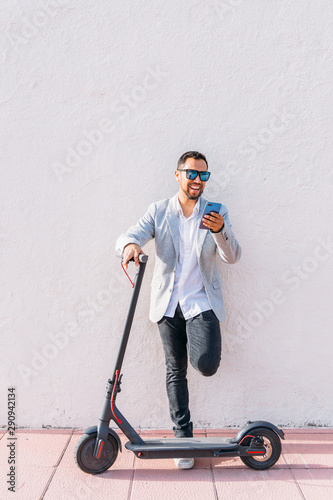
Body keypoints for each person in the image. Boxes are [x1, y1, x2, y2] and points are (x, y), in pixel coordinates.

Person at [115, 151, 241, 469]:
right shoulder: (159, 211)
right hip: (168, 305)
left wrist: (220, 231)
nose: (197, 180)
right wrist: (130, 247)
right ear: (178, 175)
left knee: (207, 365)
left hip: (201, 302)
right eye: (192, 173)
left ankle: (185, 431)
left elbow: (233, 256)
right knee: (175, 371)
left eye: (203, 175)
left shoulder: (216, 212)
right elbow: (131, 235)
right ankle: (183, 439)